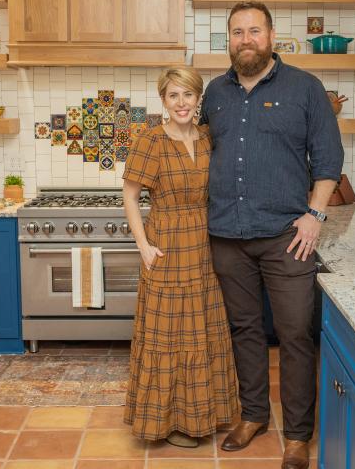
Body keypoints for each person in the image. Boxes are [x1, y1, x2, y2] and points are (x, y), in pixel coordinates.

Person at [199, 1, 343, 469]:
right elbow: (198, 150)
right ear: (229, 39)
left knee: (295, 333)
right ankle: (254, 415)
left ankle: (298, 436)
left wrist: (315, 216)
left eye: (254, 30)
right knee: (245, 330)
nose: (246, 39)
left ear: (272, 35)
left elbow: (328, 161)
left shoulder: (305, 88)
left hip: (288, 236)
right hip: (226, 234)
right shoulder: (215, 94)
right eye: (237, 31)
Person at [122, 67, 239, 448]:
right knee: (166, 337)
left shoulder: (208, 138)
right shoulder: (150, 141)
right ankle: (163, 421)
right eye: (174, 96)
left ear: (198, 99)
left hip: (205, 247)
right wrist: (143, 246)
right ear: (163, 101)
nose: (182, 103)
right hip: (166, 247)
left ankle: (198, 418)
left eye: (188, 95)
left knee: (201, 335)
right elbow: (130, 196)